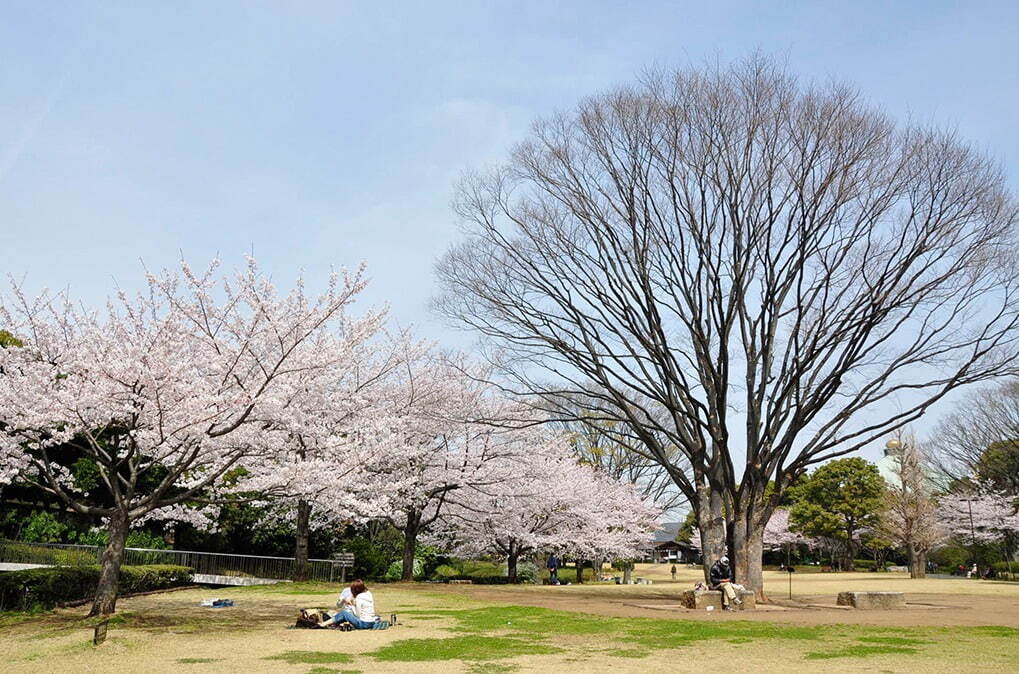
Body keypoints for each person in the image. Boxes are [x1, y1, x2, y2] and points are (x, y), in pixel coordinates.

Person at [320, 579, 385, 629]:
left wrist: (352, 606)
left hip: (364, 623)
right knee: (344, 614)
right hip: (371, 622)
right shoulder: (369, 594)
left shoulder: (359, 597)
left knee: (344, 613)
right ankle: (328, 623)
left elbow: (358, 614)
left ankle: (323, 624)